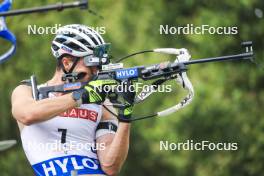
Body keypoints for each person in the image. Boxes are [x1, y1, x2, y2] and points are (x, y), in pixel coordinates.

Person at [11, 24, 135, 176]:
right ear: (67, 63)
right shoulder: (27, 91)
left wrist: (125, 118)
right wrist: (80, 97)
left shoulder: (102, 103)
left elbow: (110, 167)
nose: (96, 71)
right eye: (92, 63)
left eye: (100, 65)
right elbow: (27, 115)